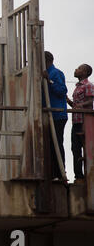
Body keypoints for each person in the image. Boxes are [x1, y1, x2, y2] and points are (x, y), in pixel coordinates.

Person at [42, 51, 68, 181]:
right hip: (50, 114)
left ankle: (59, 172)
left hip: (58, 114)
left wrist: (49, 81)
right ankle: (53, 172)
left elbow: (62, 91)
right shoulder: (48, 73)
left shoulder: (55, 73)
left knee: (57, 143)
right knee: (50, 144)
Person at [66, 64, 94, 183]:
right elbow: (75, 106)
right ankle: (79, 176)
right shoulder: (77, 87)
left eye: (79, 68)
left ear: (85, 72)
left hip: (84, 121)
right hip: (76, 121)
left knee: (86, 148)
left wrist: (80, 106)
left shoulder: (88, 85)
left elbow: (91, 100)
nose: (76, 69)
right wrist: (68, 100)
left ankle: (88, 174)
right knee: (75, 148)